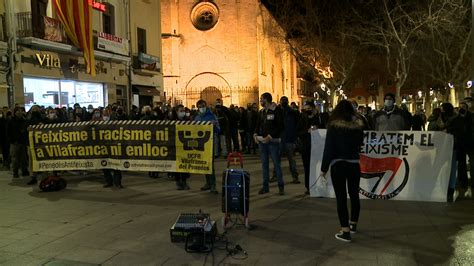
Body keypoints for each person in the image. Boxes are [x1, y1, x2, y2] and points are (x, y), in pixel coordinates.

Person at [320, 100, 364, 242]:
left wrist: (324, 169)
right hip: (354, 164)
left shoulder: (333, 126)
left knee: (341, 198)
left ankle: (345, 231)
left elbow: (329, 148)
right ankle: (353, 225)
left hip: (338, 164)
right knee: (354, 195)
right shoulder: (358, 126)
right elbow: (360, 143)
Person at [254, 92, 285, 195]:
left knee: (276, 164)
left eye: (262, 99)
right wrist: (255, 134)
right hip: (262, 142)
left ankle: (281, 187)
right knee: (264, 165)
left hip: (272, 142)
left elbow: (280, 126)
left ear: (266, 100)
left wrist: (270, 136)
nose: (260, 101)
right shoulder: (261, 112)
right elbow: (257, 125)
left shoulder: (276, 111)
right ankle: (265, 187)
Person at [194, 99, 220, 194]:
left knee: (210, 165)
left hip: (210, 143)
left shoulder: (212, 116)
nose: (202, 108)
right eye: (200, 107)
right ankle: (207, 183)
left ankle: (213, 185)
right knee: (204, 164)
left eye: (203, 106)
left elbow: (218, 129)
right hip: (201, 144)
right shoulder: (196, 118)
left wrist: (214, 125)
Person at [297, 101, 321, 195]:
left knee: (316, 167)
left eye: (309, 109)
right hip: (306, 146)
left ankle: (316, 185)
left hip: (316, 146)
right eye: (305, 109)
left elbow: (324, 129)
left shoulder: (318, 117)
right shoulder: (302, 117)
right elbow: (298, 131)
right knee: (307, 168)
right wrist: (307, 131)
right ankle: (309, 187)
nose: (307, 110)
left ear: (313, 108)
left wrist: (317, 128)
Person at [279, 96, 300, 184]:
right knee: (281, 159)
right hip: (283, 138)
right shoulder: (280, 112)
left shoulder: (292, 112)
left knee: (290, 159)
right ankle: (293, 176)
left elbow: (297, 125)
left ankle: (294, 176)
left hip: (288, 138)